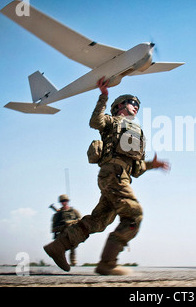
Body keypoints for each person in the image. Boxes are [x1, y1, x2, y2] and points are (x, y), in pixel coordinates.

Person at [44, 77, 169, 275]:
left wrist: (153, 165)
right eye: (132, 103)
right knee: (134, 215)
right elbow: (95, 121)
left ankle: (58, 247)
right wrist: (103, 97)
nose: (136, 106)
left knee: (98, 221)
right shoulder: (113, 122)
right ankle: (108, 263)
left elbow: (136, 169)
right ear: (120, 106)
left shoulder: (138, 132)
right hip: (113, 175)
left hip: (121, 178)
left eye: (138, 104)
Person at [51, 194, 81, 266]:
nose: (64, 202)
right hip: (62, 232)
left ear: (67, 201)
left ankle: (73, 261)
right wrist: (60, 227)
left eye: (65, 201)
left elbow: (80, 219)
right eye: (62, 201)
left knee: (73, 246)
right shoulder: (58, 214)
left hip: (72, 231)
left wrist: (70, 222)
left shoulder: (74, 211)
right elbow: (53, 227)